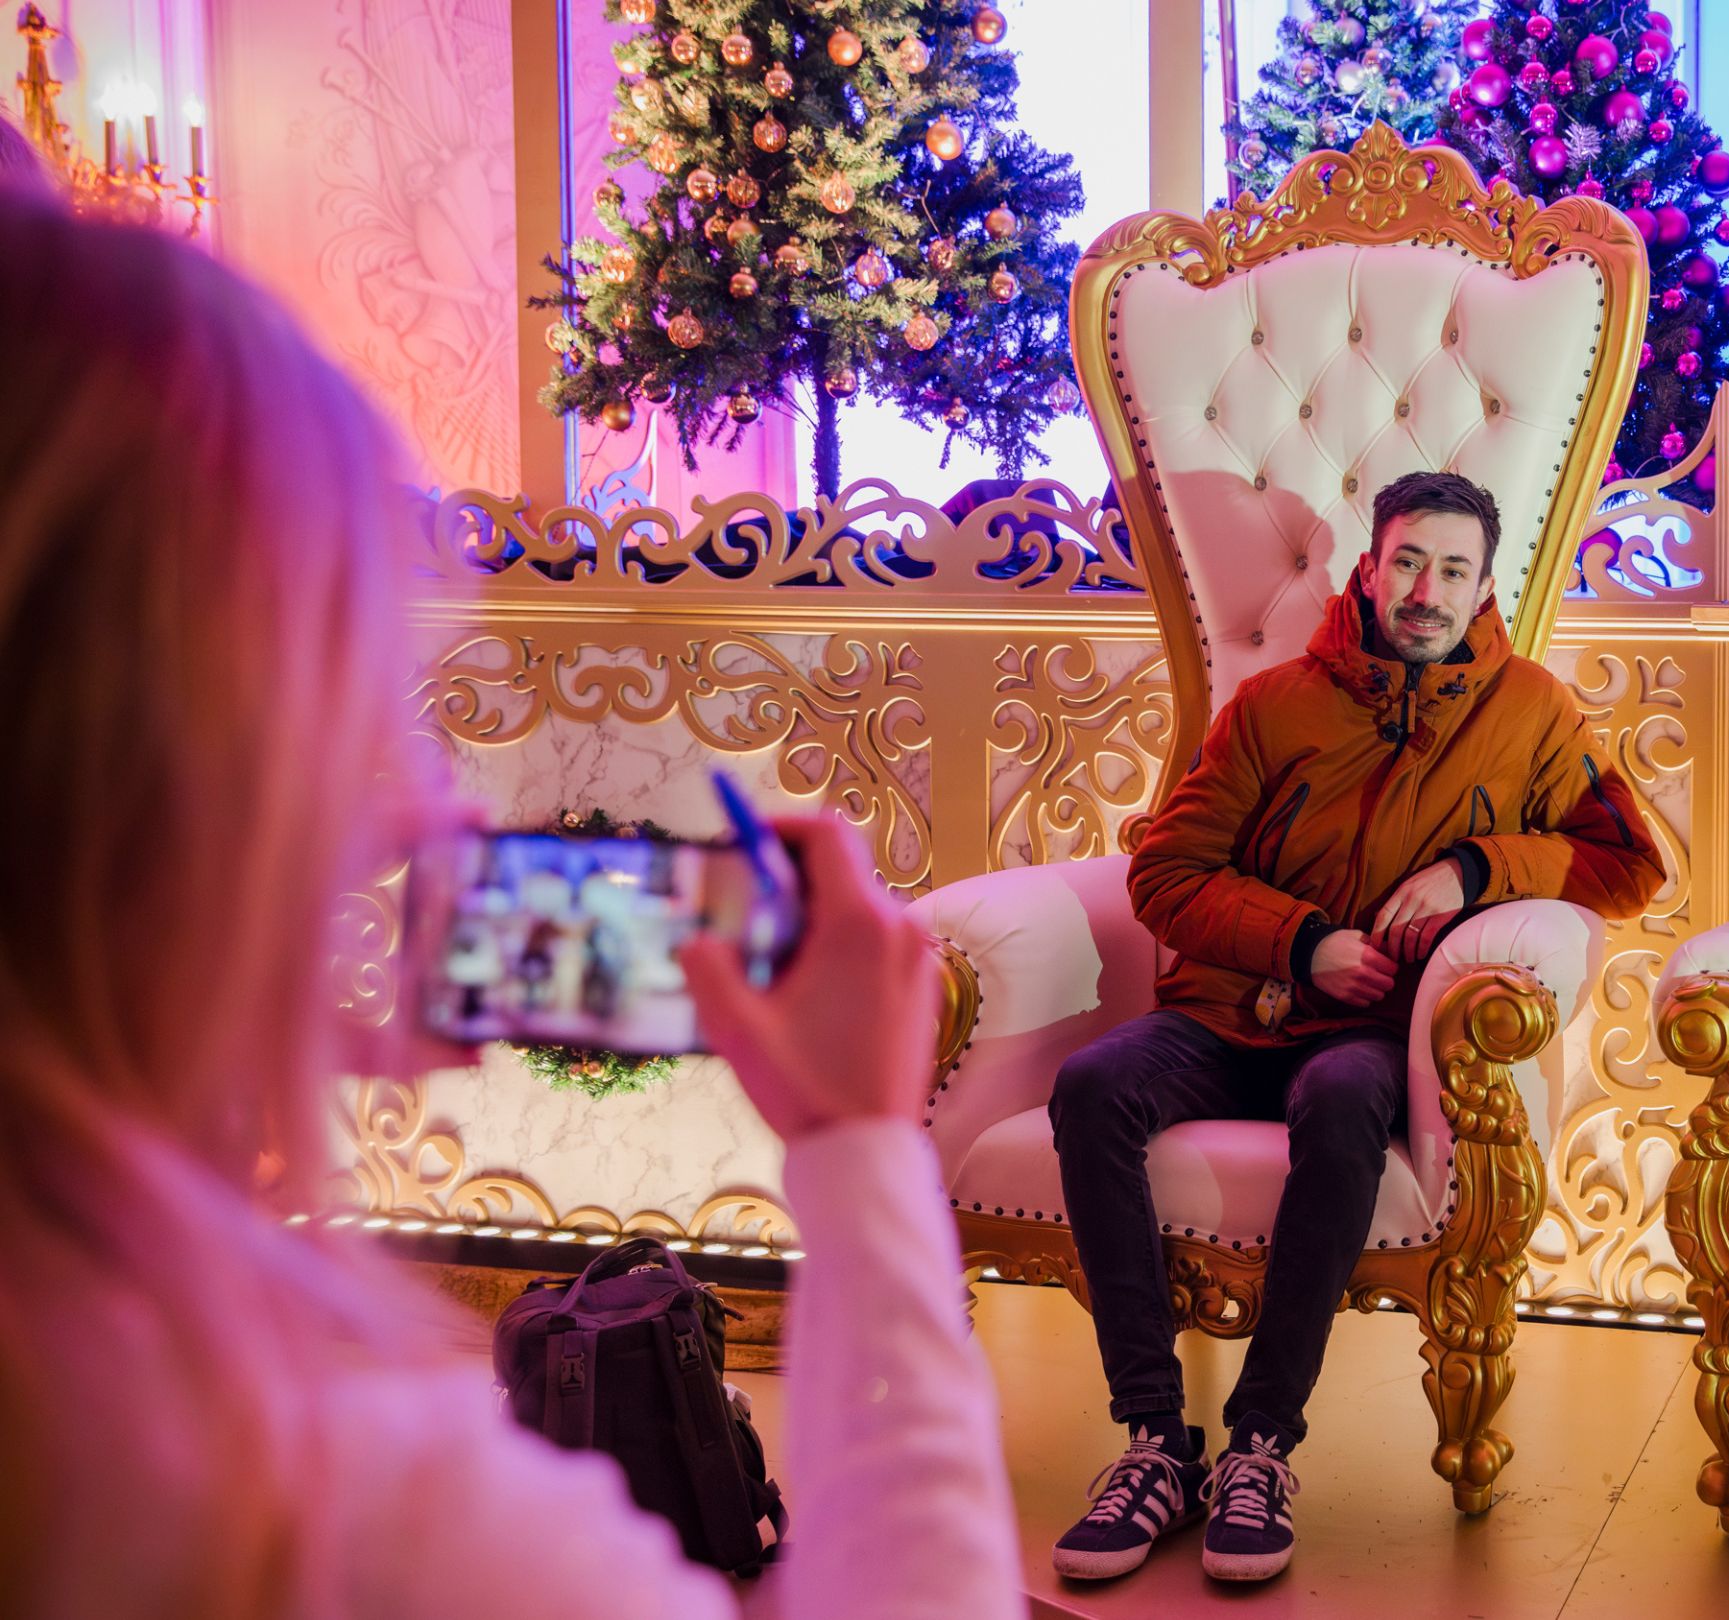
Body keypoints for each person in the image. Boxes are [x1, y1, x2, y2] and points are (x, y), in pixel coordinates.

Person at [0, 201, 1024, 1618]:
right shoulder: (362, 1517)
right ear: (159, 824)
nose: (426, 815)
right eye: (357, 712)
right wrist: (861, 1157)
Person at [1046, 470, 1666, 1584]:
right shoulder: (1274, 702)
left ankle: (1261, 1446)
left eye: (1456, 569)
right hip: (1231, 1009)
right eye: (1410, 562)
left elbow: (1629, 866)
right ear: (1370, 569)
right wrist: (1300, 940)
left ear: (1485, 586)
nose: (1428, 589)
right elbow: (1167, 873)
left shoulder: (1531, 710)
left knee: (1341, 1105)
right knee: (1093, 1087)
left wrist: (1480, 868)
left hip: (1368, 1033)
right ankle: (1153, 1440)